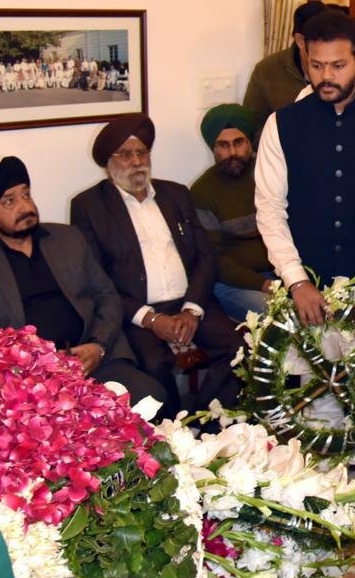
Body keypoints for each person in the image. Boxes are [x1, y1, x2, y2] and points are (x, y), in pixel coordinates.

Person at [0, 156, 168, 410]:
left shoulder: (67, 238)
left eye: (26, 195)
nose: (24, 206)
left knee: (151, 398)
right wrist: (20, 363)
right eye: (9, 201)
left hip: (95, 362)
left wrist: (98, 346)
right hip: (24, 382)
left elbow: (107, 296)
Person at [69, 115, 243, 417]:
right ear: (108, 163)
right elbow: (98, 280)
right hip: (138, 311)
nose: (136, 161)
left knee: (239, 349)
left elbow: (205, 256)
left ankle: (205, 423)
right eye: (125, 154)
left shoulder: (175, 194)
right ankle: (170, 435)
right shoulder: (89, 206)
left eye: (142, 152)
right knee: (152, 365)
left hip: (190, 303)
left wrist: (192, 309)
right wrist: (150, 319)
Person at [254, 11, 355, 329]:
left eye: (338, 66)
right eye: (316, 65)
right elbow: (269, 210)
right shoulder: (281, 124)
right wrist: (296, 280)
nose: (326, 76)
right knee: (306, 379)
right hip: (305, 294)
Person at [190, 103, 274, 322]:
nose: (233, 153)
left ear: (250, 141)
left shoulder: (272, 173)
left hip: (281, 273)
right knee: (279, 314)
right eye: (223, 145)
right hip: (231, 284)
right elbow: (214, 259)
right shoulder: (203, 191)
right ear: (213, 148)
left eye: (239, 142)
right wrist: (263, 284)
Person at [242, 1, 327, 125]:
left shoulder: (342, 67)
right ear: (300, 40)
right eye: (318, 40)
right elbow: (251, 126)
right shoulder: (267, 70)